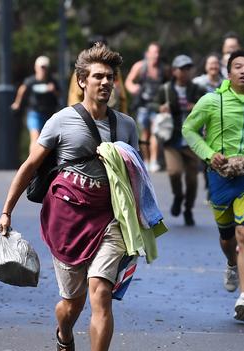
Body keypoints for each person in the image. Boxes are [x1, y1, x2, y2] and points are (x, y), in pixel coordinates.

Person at [0, 43, 139, 351]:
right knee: (71, 305)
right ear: (82, 81)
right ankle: (63, 334)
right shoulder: (60, 121)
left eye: (110, 77)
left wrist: (141, 220)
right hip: (67, 220)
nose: (105, 83)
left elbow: (135, 175)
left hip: (108, 220)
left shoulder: (127, 126)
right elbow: (30, 166)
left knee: (101, 294)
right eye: (98, 77)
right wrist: (7, 211)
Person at [182, 50, 244, 322]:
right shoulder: (212, 101)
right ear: (228, 74)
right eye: (237, 67)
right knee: (227, 237)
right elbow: (189, 129)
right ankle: (231, 263)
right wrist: (207, 154)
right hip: (220, 176)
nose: (243, 71)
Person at [150, 55, 205, 226]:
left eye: (188, 68)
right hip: (171, 139)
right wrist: (160, 107)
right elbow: (151, 104)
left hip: (192, 139)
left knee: (192, 179)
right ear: (174, 71)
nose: (185, 72)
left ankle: (188, 208)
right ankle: (177, 196)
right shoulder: (165, 89)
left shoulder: (197, 89)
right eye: (182, 69)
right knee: (174, 172)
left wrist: (196, 106)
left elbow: (209, 104)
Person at [125, 42, 166, 172]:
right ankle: (146, 160)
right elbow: (128, 81)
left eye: (157, 52)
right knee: (144, 133)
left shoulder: (162, 68)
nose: (156, 55)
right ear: (147, 54)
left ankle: (154, 160)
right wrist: (133, 88)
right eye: (153, 52)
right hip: (142, 105)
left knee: (155, 132)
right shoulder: (140, 66)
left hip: (156, 105)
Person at [11, 56, 60, 154]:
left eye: (45, 67)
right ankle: (33, 163)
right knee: (35, 137)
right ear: (36, 67)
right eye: (41, 67)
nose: (43, 70)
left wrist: (53, 90)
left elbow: (60, 94)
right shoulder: (31, 80)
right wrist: (17, 103)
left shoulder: (52, 81)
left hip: (49, 113)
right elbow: (22, 89)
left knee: (48, 140)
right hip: (34, 113)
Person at [68, 36, 128, 113]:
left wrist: (124, 114)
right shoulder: (81, 71)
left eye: (109, 77)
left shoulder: (113, 69)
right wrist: (76, 116)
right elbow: (75, 97)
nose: (105, 81)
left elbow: (121, 95)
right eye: (98, 76)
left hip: (112, 113)